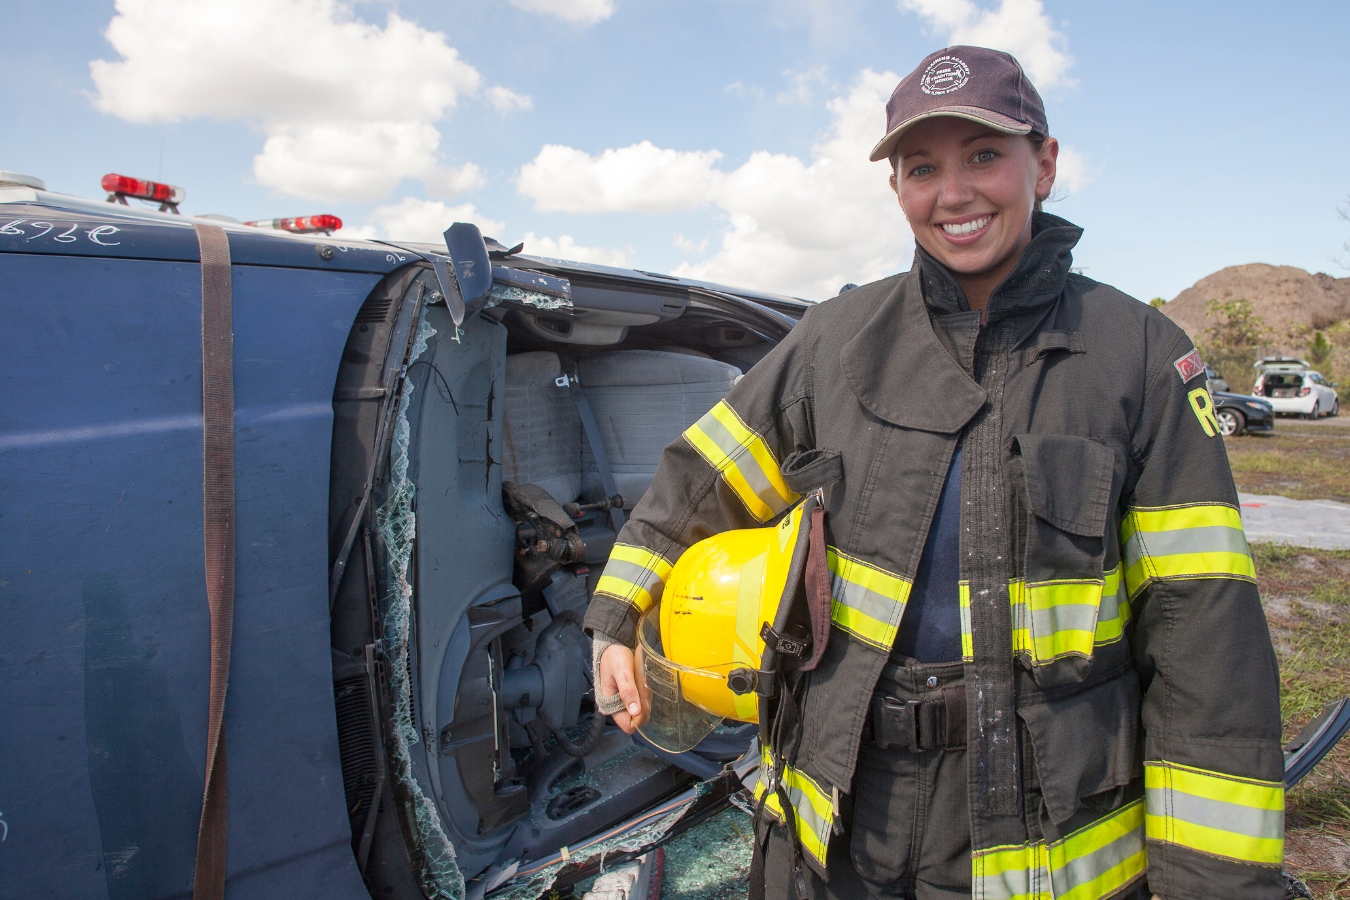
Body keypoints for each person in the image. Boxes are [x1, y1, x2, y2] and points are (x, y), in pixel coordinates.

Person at [584, 45, 1284, 900]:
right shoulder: (834, 340)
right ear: (897, 189)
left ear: (1047, 165)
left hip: (1043, 842)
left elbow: (1204, 645)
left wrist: (1214, 886)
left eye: (984, 156)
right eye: (923, 168)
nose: (953, 193)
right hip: (838, 830)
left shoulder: (1138, 358)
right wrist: (618, 613)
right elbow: (702, 479)